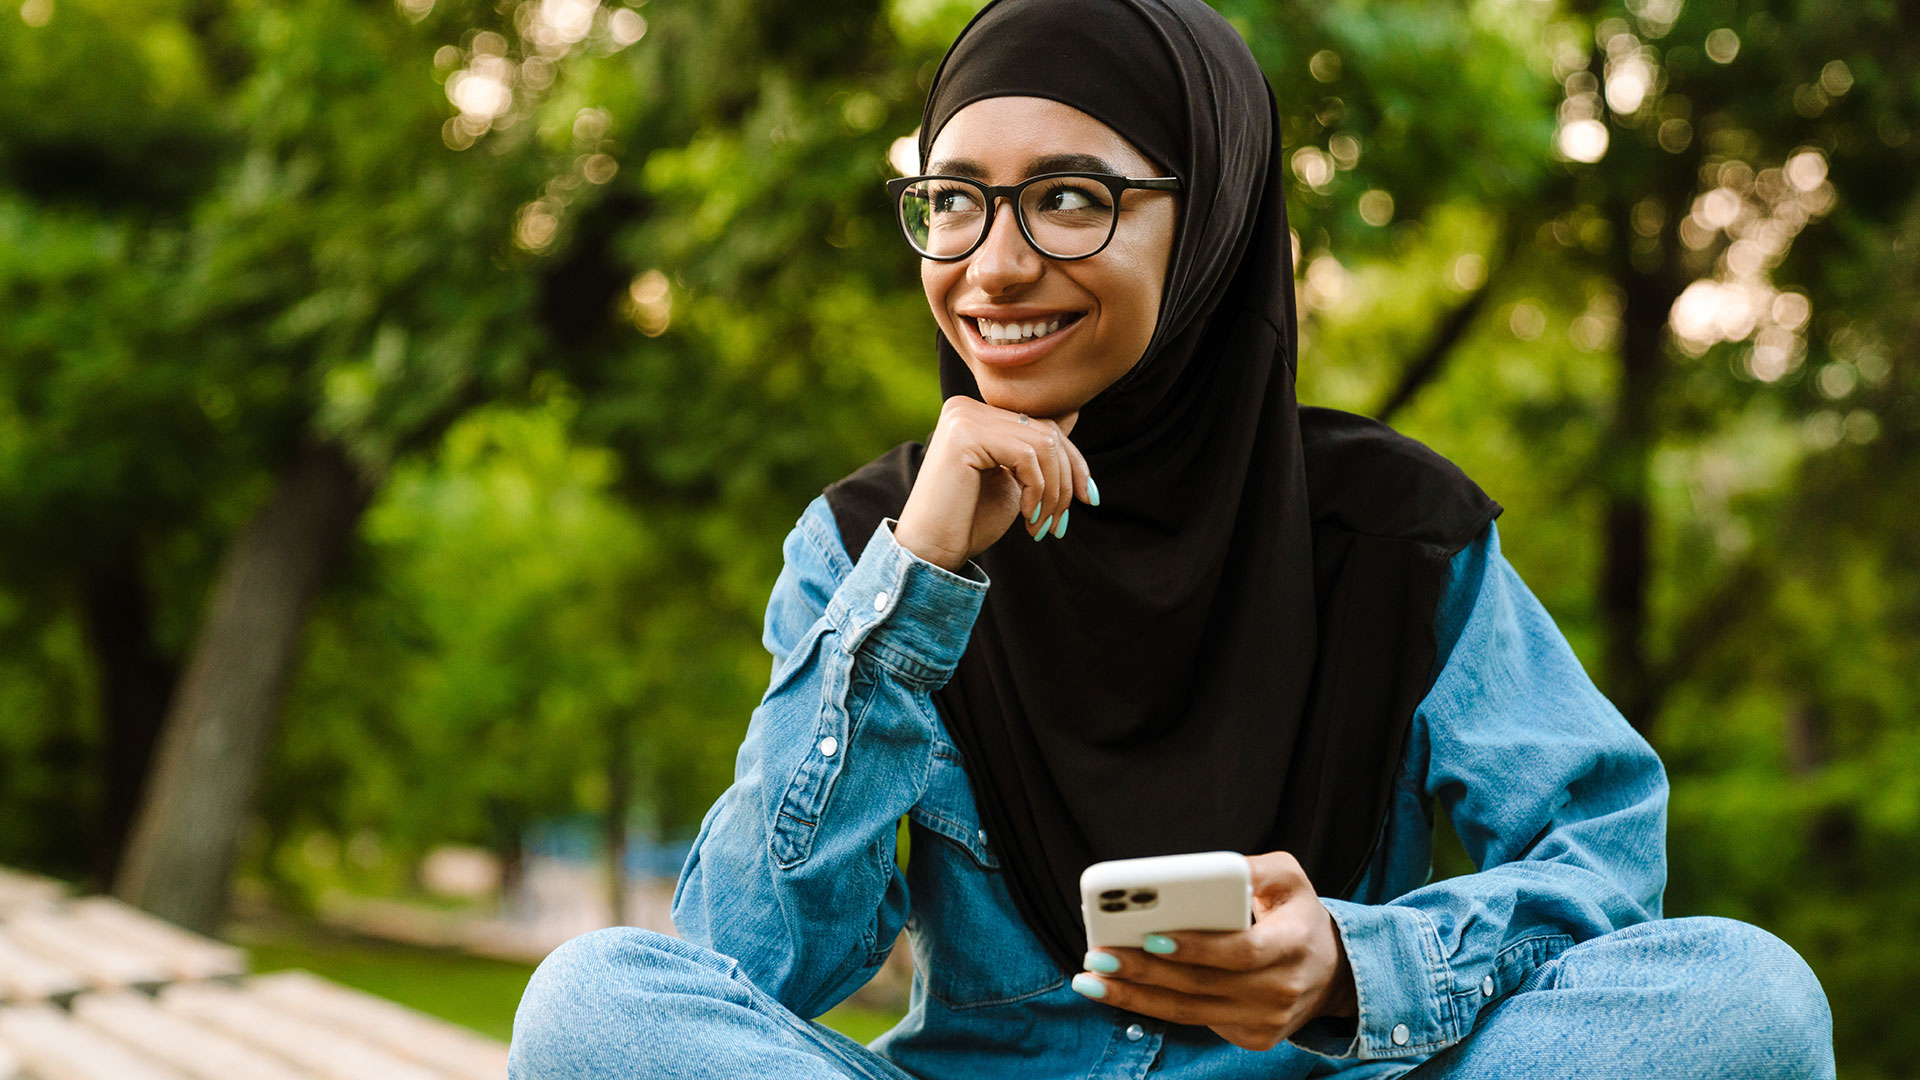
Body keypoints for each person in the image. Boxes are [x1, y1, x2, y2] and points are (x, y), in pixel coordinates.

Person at [508, 0, 1837, 1076]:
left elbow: (1603, 857)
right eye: (954, 197)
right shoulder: (868, 541)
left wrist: (1350, 969)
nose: (993, 264)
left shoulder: (1390, 531)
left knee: (1745, 998)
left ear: (1206, 226)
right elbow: (753, 961)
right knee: (595, 1007)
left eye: (1070, 199)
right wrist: (915, 587)